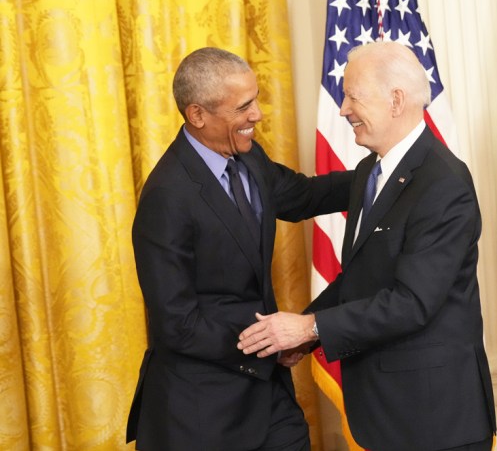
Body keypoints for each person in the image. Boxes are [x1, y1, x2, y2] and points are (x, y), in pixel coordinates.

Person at [237, 41, 496, 451]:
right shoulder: (371, 173)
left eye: (352, 95)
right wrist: (307, 336)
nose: (342, 109)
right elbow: (362, 276)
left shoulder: (443, 184)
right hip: (388, 416)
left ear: (396, 101)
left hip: (435, 424)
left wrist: (308, 327)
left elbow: (411, 303)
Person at [126, 47, 352, 451]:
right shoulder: (167, 195)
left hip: (269, 399)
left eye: (256, 99)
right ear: (198, 115)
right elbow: (176, 323)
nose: (258, 115)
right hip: (203, 412)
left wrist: (386, 172)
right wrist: (269, 343)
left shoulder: (248, 157)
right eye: (243, 106)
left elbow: (302, 196)